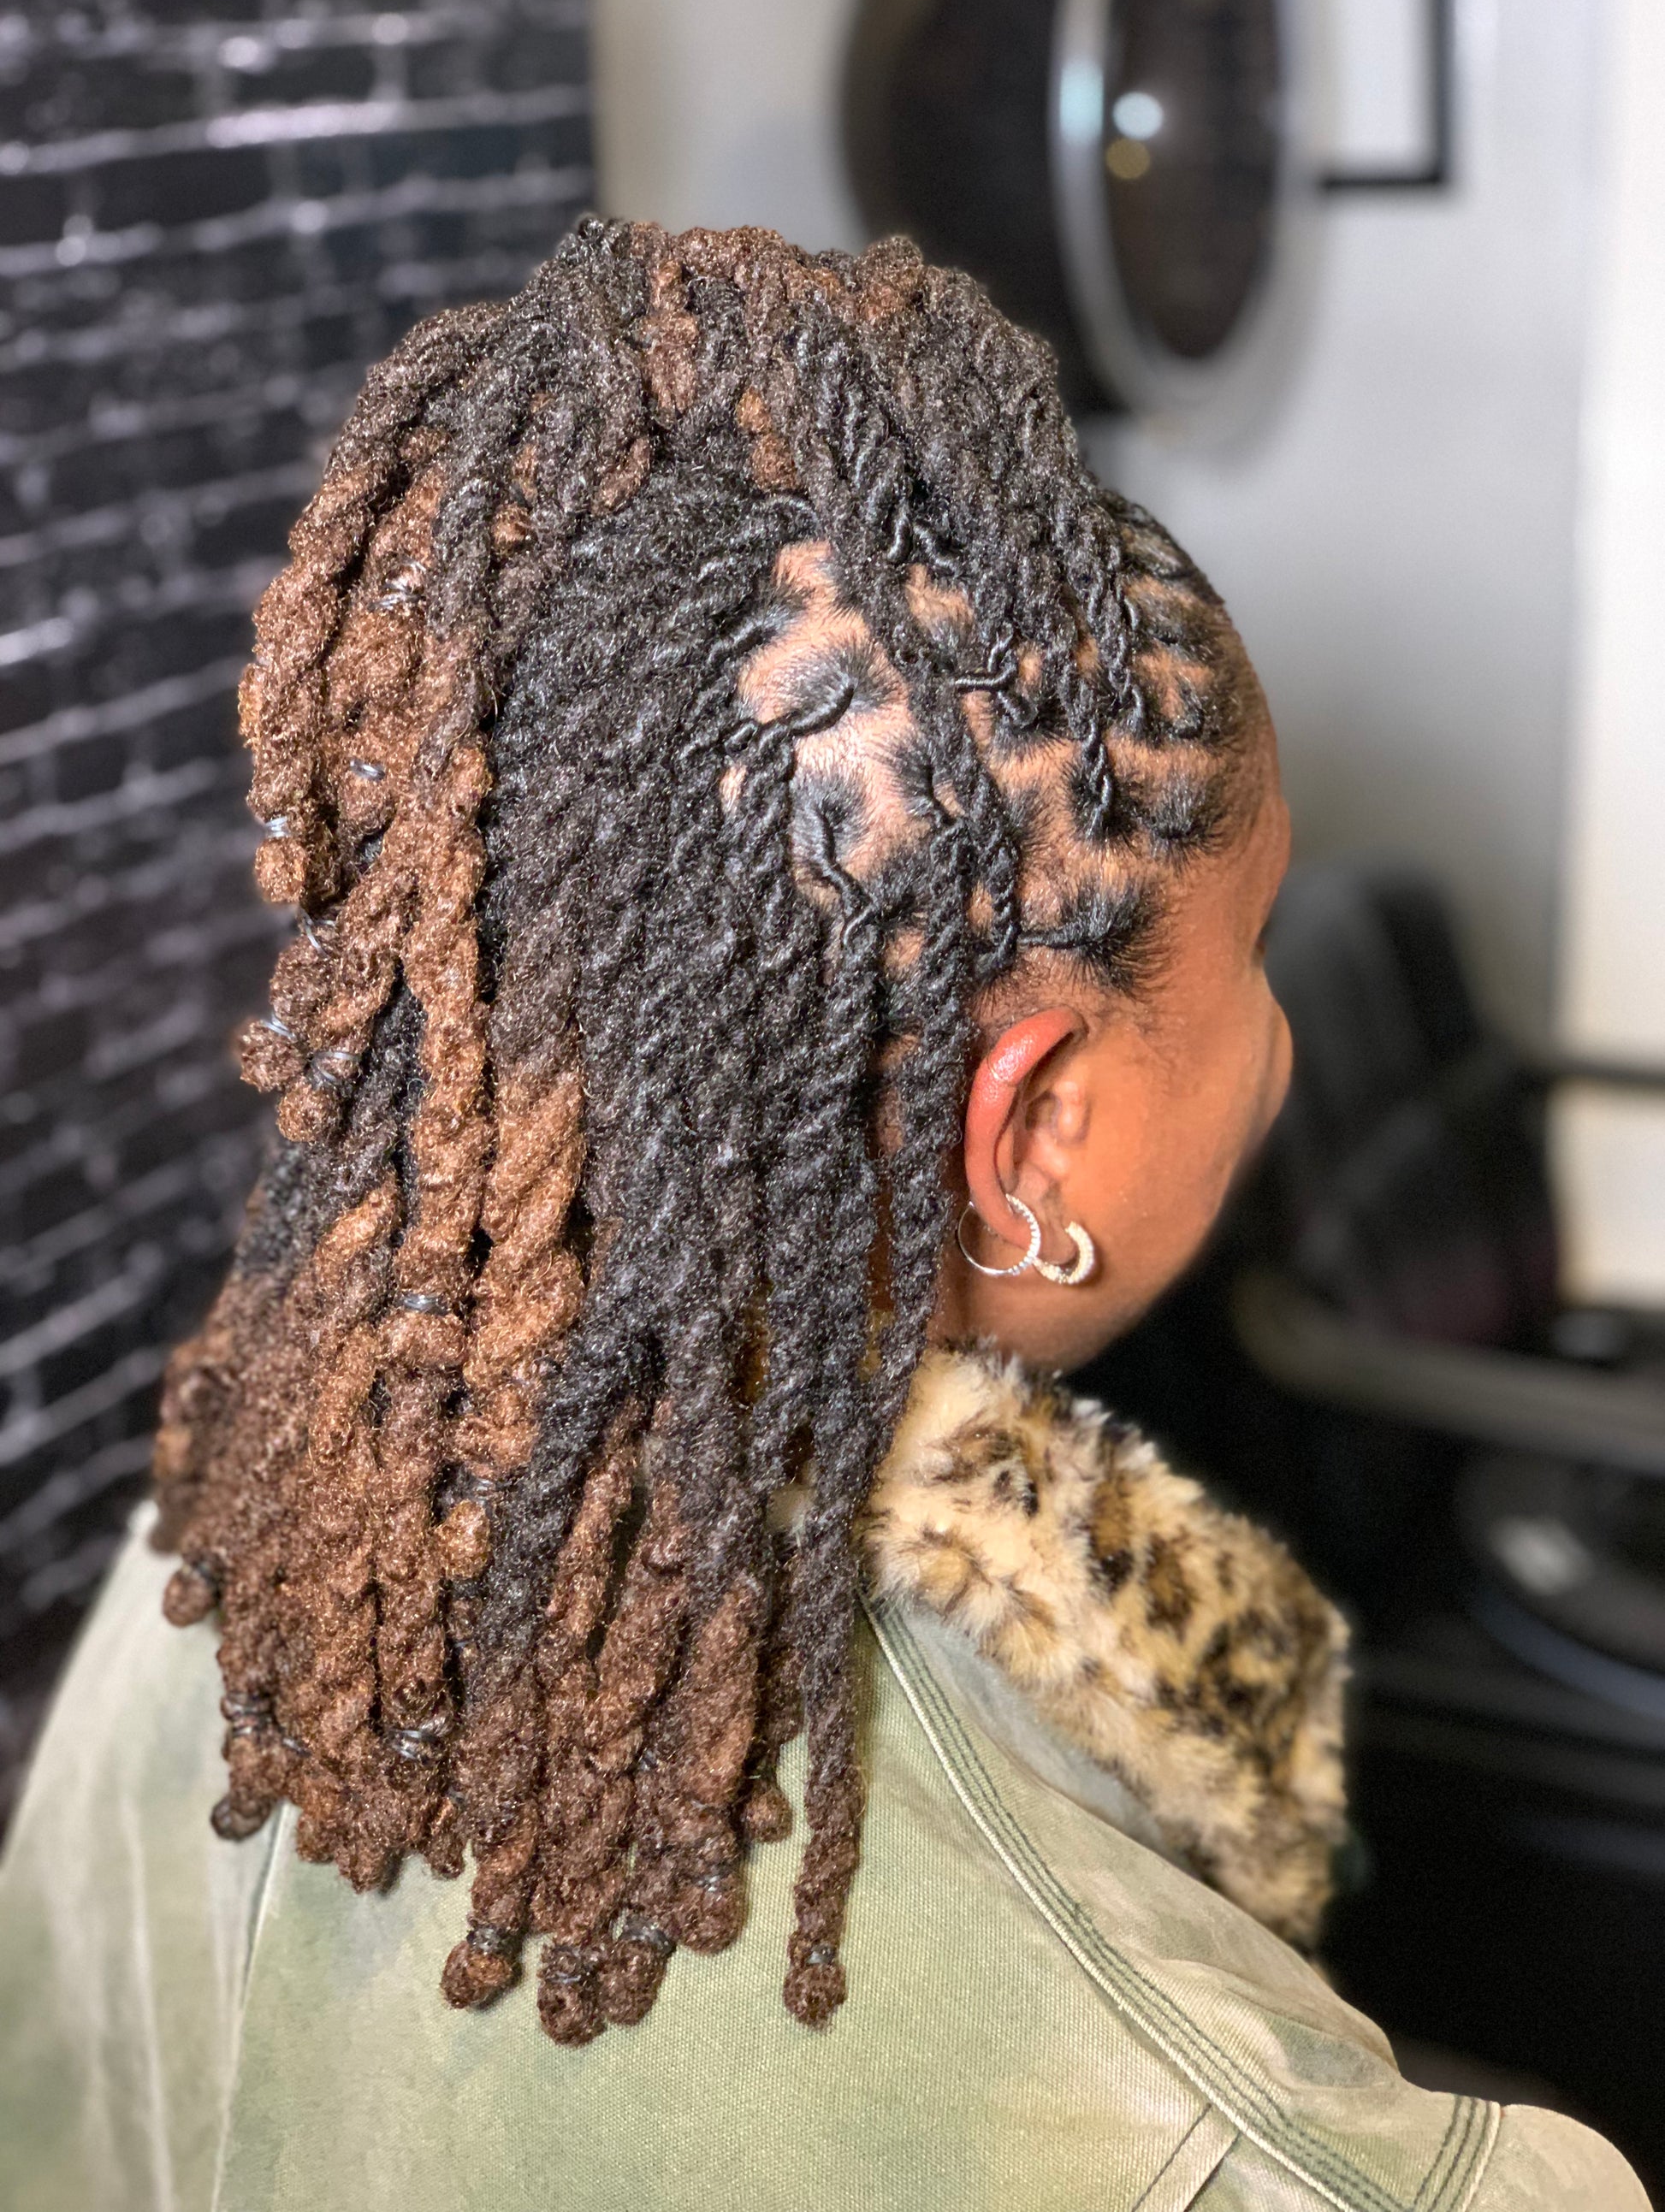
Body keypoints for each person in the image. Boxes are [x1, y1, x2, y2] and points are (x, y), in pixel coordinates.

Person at [0, 220, 1645, 2212]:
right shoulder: (1176, 2123)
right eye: (1255, 944)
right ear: (1026, 1129)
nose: (1280, 1050)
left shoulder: (236, 1505)